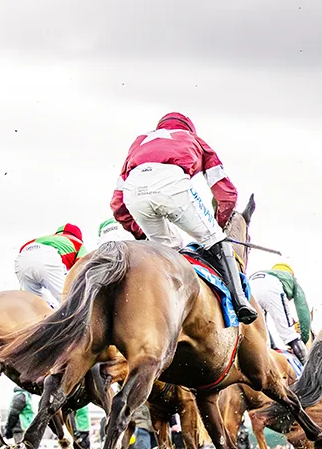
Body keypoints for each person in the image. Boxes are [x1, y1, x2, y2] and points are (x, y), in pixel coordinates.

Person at [108, 111, 257, 323]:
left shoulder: (139, 143)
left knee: (172, 249)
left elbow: (117, 204)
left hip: (134, 193)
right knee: (217, 239)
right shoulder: (195, 140)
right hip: (172, 185)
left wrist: (140, 232)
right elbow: (227, 194)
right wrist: (218, 226)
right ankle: (241, 302)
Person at [249, 262, 311, 363]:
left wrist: (274, 347)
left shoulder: (266, 272)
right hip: (273, 285)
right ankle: (308, 369)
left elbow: (264, 329)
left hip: (250, 284)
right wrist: (303, 339)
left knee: (261, 333)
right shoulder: (291, 279)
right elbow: (303, 310)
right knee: (288, 333)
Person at [14, 224, 86, 307]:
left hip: (22, 260)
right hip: (48, 258)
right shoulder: (78, 243)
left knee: (33, 306)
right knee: (69, 302)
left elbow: (29, 261)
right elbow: (83, 268)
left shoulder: (43, 238)